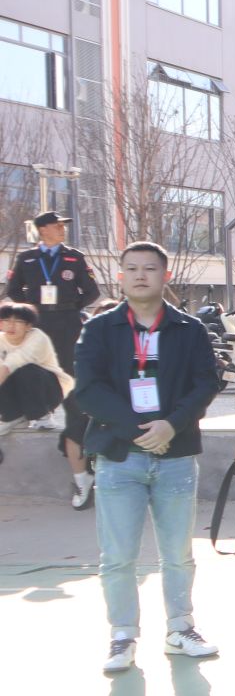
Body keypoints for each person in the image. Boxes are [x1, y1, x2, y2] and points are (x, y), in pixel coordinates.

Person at [72, 242, 221, 673]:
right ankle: (122, 635)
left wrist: (171, 424)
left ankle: (180, 628)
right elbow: (88, 389)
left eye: (150, 268)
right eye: (132, 269)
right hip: (120, 457)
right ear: (120, 277)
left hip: (175, 455)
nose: (141, 275)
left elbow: (205, 383)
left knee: (178, 553)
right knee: (118, 555)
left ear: (165, 275)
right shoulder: (99, 329)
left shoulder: (189, 329)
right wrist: (136, 429)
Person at [7, 211, 99, 507]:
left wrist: (69, 305)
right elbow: (13, 291)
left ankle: (76, 423)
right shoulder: (27, 259)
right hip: (38, 321)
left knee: (69, 371)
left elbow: (92, 291)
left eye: (63, 225)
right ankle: (41, 413)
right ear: (42, 230)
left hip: (67, 321)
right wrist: (33, 309)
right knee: (35, 367)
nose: (62, 229)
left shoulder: (74, 257)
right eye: (57, 225)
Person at [0, 301, 71, 464]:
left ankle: (41, 415)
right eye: (6, 320)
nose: (11, 325)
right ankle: (12, 415)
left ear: (28, 325)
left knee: (26, 369)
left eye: (18, 321)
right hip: (16, 392)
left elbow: (15, 361)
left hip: (48, 392)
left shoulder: (37, 337)